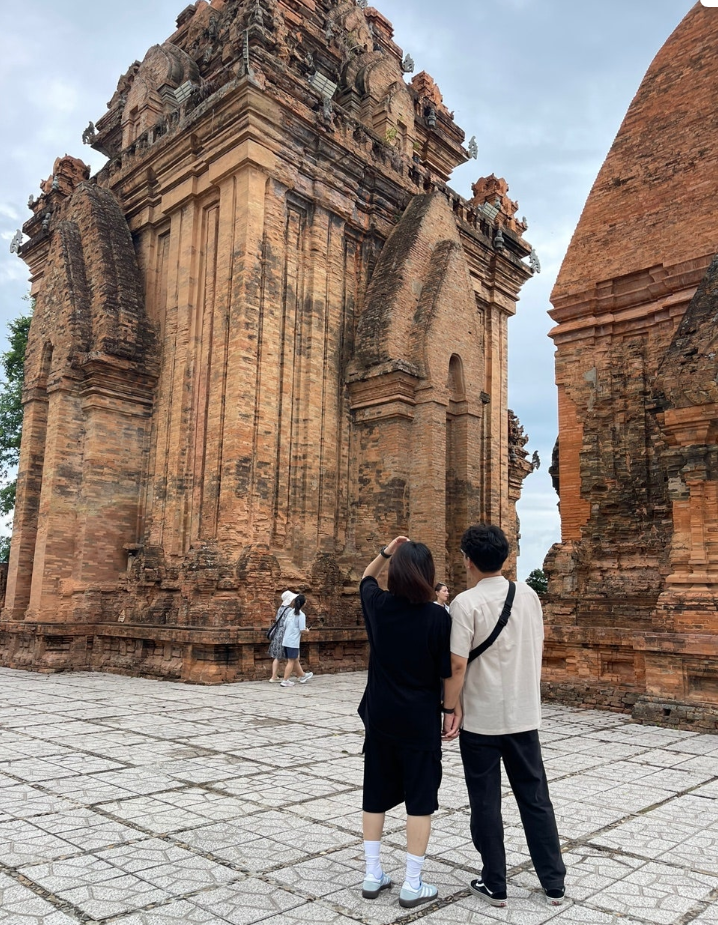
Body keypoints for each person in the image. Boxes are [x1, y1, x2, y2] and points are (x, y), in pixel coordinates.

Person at [442, 524, 566, 908]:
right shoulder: (528, 595)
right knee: (535, 799)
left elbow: (457, 665)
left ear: (468, 560)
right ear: (505, 557)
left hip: (481, 719)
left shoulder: (465, 603)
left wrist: (449, 707)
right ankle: (553, 882)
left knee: (485, 802)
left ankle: (495, 882)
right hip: (524, 715)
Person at [358, 536, 451, 910]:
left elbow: (366, 578)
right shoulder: (437, 617)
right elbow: (446, 672)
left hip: (381, 717)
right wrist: (450, 710)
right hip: (420, 720)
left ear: (394, 572)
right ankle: (412, 883)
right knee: (420, 800)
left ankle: (372, 874)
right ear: (428, 575)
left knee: (374, 794)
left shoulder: (378, 606)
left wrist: (386, 552)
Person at [280, 594, 314, 688]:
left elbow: (285, 624)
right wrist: (307, 631)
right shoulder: (301, 615)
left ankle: (302, 675)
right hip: (293, 641)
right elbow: (302, 629)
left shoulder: (290, 612)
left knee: (295, 659)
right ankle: (285, 680)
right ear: (304, 604)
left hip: (286, 639)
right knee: (291, 661)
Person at [268, 590, 296, 682]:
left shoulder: (280, 608)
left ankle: (274, 676)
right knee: (291, 657)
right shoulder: (289, 610)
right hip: (285, 633)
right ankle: (279, 677)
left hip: (277, 633)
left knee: (277, 656)